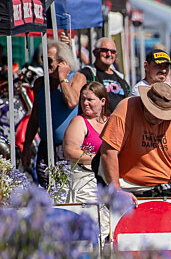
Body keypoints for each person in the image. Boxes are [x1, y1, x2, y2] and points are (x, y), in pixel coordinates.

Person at [98, 82, 171, 209]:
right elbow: (109, 152)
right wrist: (117, 189)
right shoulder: (126, 108)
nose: (160, 119)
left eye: (164, 115)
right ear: (145, 104)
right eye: (156, 114)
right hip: (128, 188)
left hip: (166, 187)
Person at [22, 41, 82, 187]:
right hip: (45, 146)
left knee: (65, 190)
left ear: (62, 62)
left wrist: (62, 78)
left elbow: (72, 102)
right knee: (45, 188)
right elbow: (35, 116)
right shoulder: (40, 84)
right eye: (43, 59)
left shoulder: (76, 78)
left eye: (49, 60)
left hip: (68, 147)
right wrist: (27, 146)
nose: (45, 64)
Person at [63, 82, 109, 203]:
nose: (85, 103)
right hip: (86, 183)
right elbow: (70, 151)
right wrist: (99, 160)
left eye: (90, 99)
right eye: (83, 99)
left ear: (102, 101)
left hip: (109, 180)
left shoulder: (111, 122)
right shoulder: (79, 121)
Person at [77, 37, 130, 112]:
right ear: (95, 52)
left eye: (113, 52)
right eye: (105, 50)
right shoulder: (87, 73)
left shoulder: (120, 77)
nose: (109, 54)